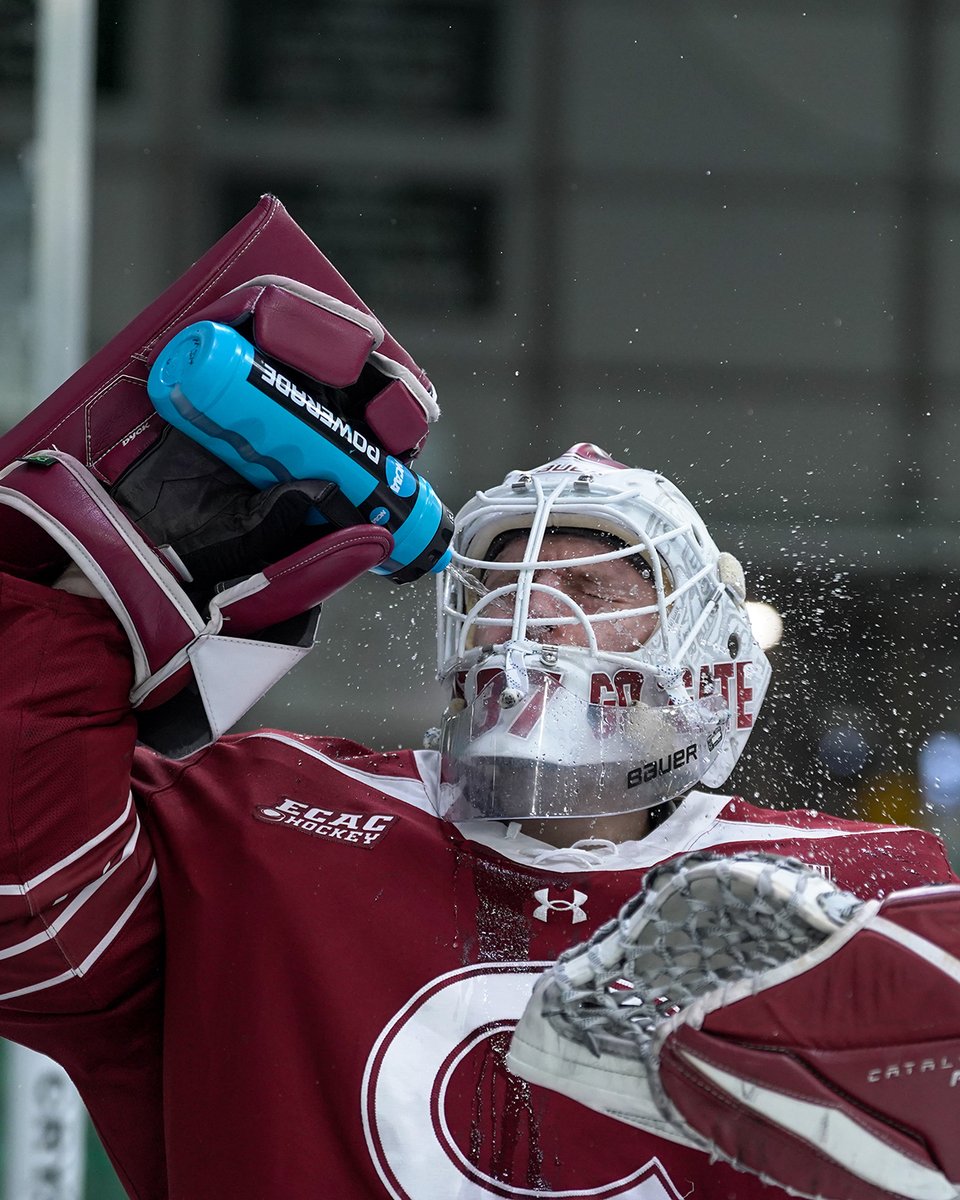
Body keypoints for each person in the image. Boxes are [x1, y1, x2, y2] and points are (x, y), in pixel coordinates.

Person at [0, 418, 955, 1200]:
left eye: (587, 588)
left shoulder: (861, 889)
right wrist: (92, 591)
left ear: (706, 657)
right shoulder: (267, 819)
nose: (535, 618)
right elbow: (27, 912)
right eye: (506, 590)